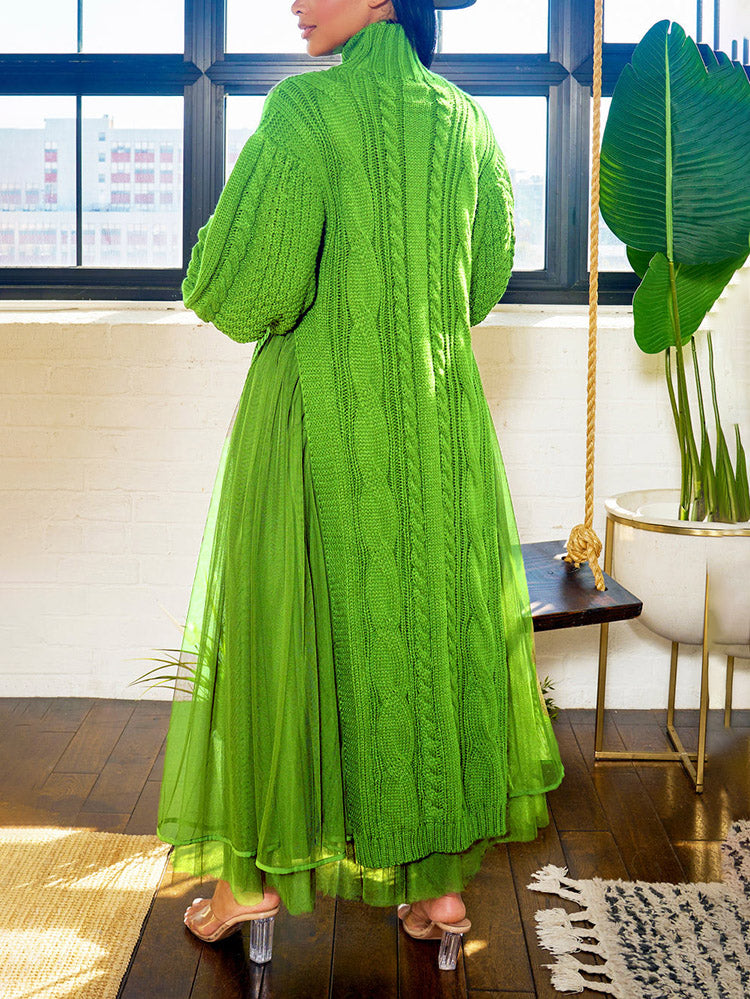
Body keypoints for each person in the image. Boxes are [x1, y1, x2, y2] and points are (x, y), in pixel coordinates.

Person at [156, 0, 564, 972]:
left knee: (283, 633)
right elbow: (481, 283)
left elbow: (244, 292)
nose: (295, 2)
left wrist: (218, 251)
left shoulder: (304, 113)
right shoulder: (468, 123)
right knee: (426, 638)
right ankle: (439, 888)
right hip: (438, 427)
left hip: (311, 427)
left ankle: (250, 880)